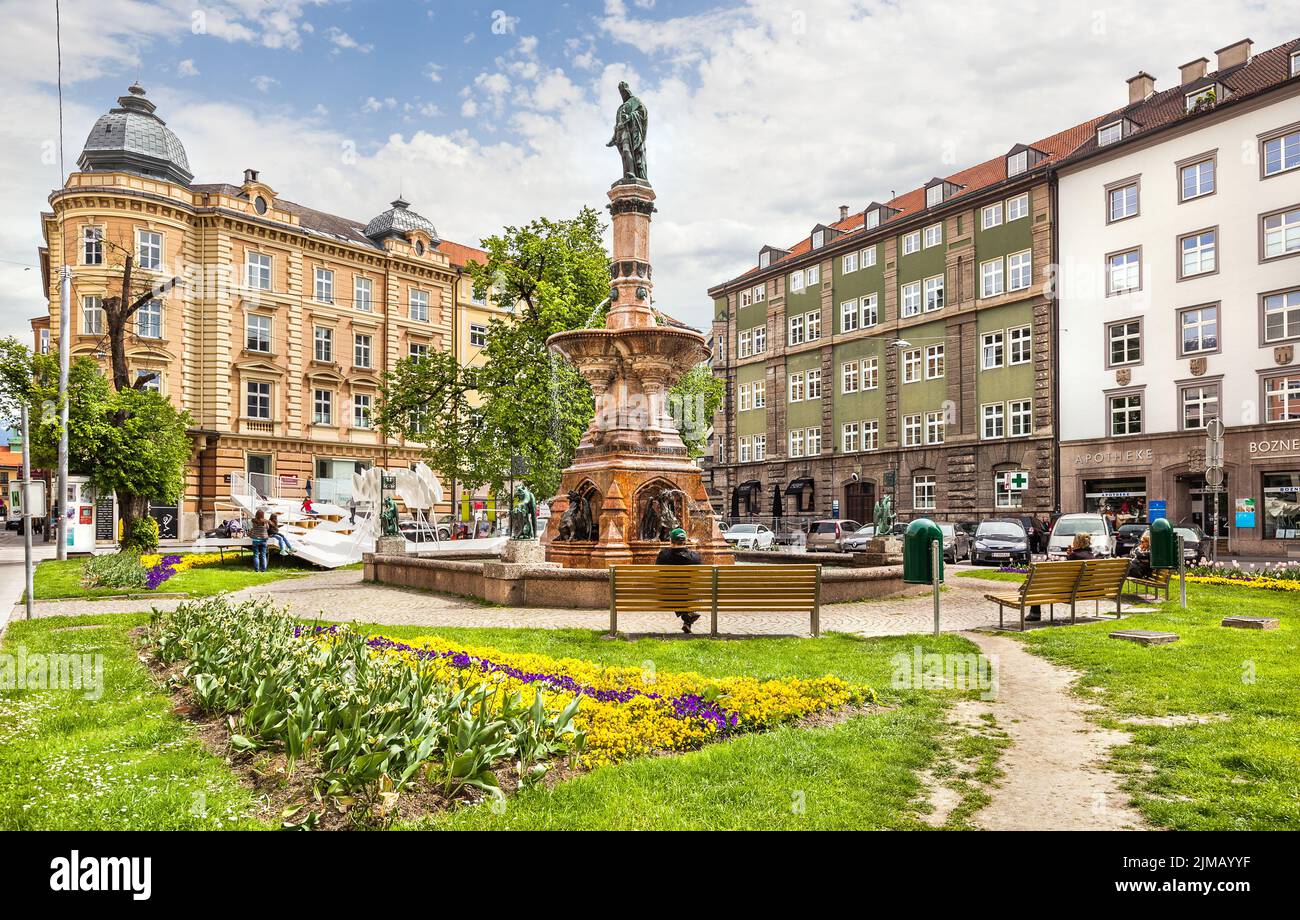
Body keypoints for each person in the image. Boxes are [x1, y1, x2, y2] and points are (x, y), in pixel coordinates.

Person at [655, 527, 702, 634]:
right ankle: (687, 618)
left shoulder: (663, 555)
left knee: (672, 589)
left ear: (670, 541)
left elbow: (658, 572)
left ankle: (686, 616)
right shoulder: (695, 557)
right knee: (687, 591)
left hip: (667, 596)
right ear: (685, 541)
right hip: (689, 595)